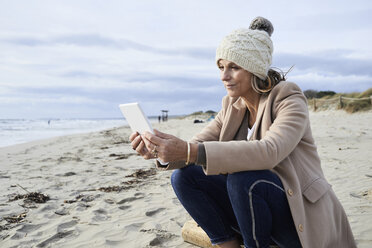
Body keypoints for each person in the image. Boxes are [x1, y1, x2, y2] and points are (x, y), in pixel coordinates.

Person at [130, 17, 356, 248]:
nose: (223, 76)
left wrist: (189, 151)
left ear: (254, 69)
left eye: (234, 67)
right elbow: (196, 145)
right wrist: (161, 151)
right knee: (185, 177)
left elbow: (270, 151)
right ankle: (227, 244)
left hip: (301, 217)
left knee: (243, 179)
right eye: (221, 67)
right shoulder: (232, 106)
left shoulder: (288, 97)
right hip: (256, 211)